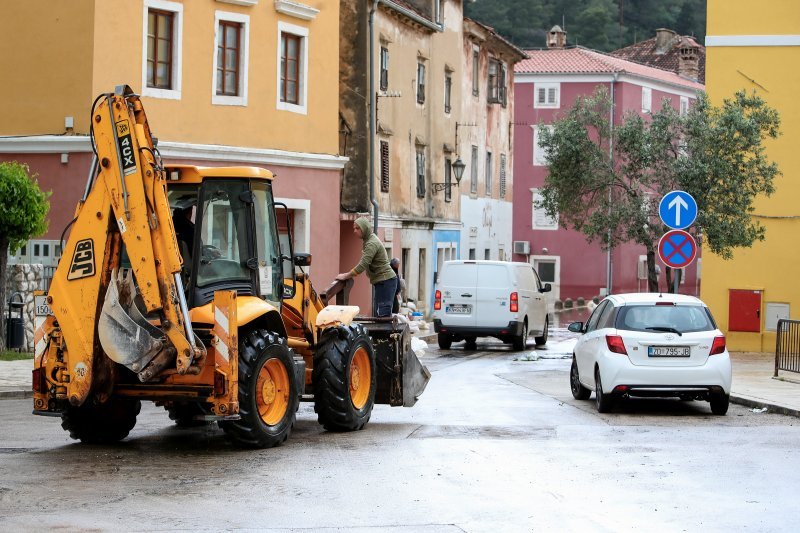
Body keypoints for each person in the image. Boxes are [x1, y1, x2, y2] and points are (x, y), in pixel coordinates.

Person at [336, 217, 397, 317]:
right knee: (379, 313)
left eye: (357, 228)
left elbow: (362, 265)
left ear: (364, 228)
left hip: (386, 281)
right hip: (383, 281)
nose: (354, 231)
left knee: (383, 314)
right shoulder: (368, 240)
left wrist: (345, 276)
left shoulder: (371, 243)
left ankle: (385, 333)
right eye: (354, 228)